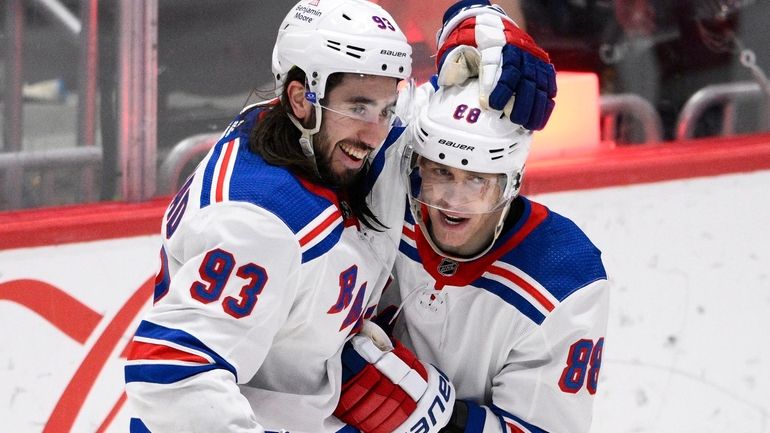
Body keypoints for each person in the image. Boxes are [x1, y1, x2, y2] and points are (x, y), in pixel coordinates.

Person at [123, 0, 556, 432]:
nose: (375, 133)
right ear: (299, 98)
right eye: (359, 108)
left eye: (386, 109)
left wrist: (480, 28)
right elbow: (171, 374)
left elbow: (429, 114)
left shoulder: (309, 133)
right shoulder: (259, 224)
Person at [362, 78, 609, 433]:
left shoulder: (563, 276)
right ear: (418, 168)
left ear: (509, 184)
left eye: (477, 179)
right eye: (441, 172)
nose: (452, 200)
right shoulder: (385, 196)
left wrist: (427, 412)